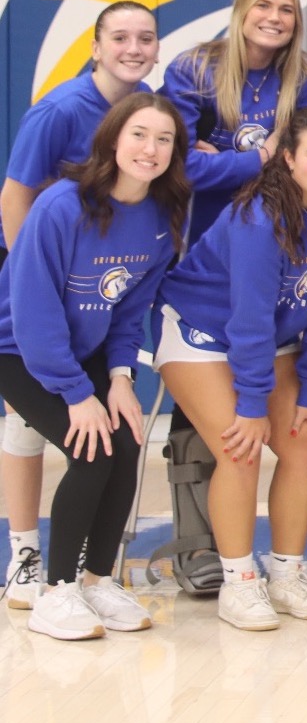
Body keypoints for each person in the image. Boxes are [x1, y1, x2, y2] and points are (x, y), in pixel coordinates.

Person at [155, 106, 307, 631]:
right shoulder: (257, 217)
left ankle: (287, 576)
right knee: (238, 450)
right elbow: (247, 318)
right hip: (203, 333)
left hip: (271, 339)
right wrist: (250, 406)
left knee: (304, 440)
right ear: (288, 158)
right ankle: (240, 583)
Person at [0, 94, 187, 638]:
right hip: (19, 351)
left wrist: (120, 377)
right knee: (92, 450)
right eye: (138, 135)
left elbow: (130, 309)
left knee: (126, 443)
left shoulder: (159, 214)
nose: (149, 149)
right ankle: (55, 595)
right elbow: (34, 313)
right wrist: (77, 394)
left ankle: (98, 581)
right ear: (111, 139)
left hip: (90, 353)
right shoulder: (62, 206)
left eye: (163, 139)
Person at [161, 0, 307, 241]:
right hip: (199, 235)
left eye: (286, 10)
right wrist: (264, 156)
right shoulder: (193, 70)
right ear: (241, 11)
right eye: (263, 5)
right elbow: (180, 167)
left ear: (296, 23)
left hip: (275, 232)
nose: (274, 17)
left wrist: (220, 163)